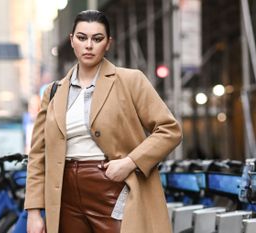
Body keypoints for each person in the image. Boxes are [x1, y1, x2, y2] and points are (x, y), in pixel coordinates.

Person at [25, 9, 182, 233]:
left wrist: (130, 162)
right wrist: (33, 212)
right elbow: (38, 154)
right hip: (64, 194)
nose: (89, 45)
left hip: (113, 187)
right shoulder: (53, 92)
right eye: (82, 38)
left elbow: (170, 130)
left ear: (108, 43)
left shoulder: (130, 80)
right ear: (71, 40)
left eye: (97, 39)